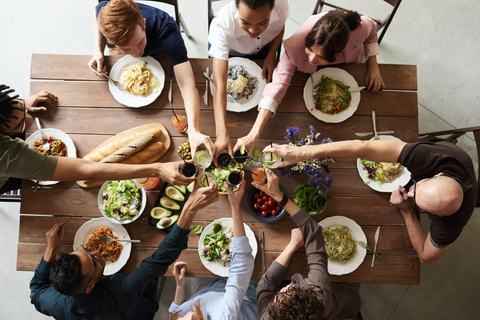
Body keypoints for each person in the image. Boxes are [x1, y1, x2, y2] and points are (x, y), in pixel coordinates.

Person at [263, 137, 477, 264]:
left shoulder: (452, 222)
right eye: (417, 188)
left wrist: (406, 211)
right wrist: (302, 152)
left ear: (438, 216)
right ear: (438, 175)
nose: (409, 192)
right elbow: (361, 146)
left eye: (415, 199)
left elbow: (425, 256)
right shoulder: (431, 158)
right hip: (441, 155)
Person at [30, 182, 219, 320]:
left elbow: (36, 291)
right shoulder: (121, 292)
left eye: (85, 250)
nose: (96, 253)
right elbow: (161, 259)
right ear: (89, 287)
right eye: (94, 261)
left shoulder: (53, 302)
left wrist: (51, 250)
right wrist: (189, 209)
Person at [235, 10, 385, 155]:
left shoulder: (360, 28)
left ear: (339, 53)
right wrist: (254, 134)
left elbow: (372, 29)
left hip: (351, 69)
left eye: (321, 57)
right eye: (310, 50)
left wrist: (373, 64)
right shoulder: (293, 47)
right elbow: (277, 85)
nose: (312, 59)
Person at [0, 85, 194, 195]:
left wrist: (18, 106)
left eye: (23, 112)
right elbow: (85, 169)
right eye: (20, 126)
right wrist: (157, 168)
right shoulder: (9, 156)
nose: (29, 119)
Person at [89, 0, 214, 158]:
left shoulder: (168, 32)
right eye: (126, 49)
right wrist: (98, 50)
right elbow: (96, 13)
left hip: (162, 57)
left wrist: (194, 130)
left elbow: (187, 84)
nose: (136, 53)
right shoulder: (107, 10)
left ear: (143, 24)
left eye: (140, 42)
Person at [254, 170, 361, 320]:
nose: (285, 288)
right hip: (341, 300)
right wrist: (279, 196)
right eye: (290, 291)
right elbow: (314, 233)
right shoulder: (319, 294)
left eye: (278, 296)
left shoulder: (268, 317)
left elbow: (265, 285)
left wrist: (292, 245)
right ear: (307, 295)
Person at [208, 0, 289, 160]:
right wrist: (221, 134)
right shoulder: (222, 27)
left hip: (264, 47)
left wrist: (272, 53)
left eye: (262, 23)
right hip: (232, 51)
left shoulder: (281, 6)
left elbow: (280, 27)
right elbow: (220, 83)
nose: (253, 30)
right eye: (245, 22)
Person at [168, 180, 259, 320]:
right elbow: (242, 264)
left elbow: (174, 312)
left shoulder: (182, 315)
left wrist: (180, 286)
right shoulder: (225, 315)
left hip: (207, 292)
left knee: (197, 266)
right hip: (245, 299)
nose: (189, 316)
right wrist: (235, 205)